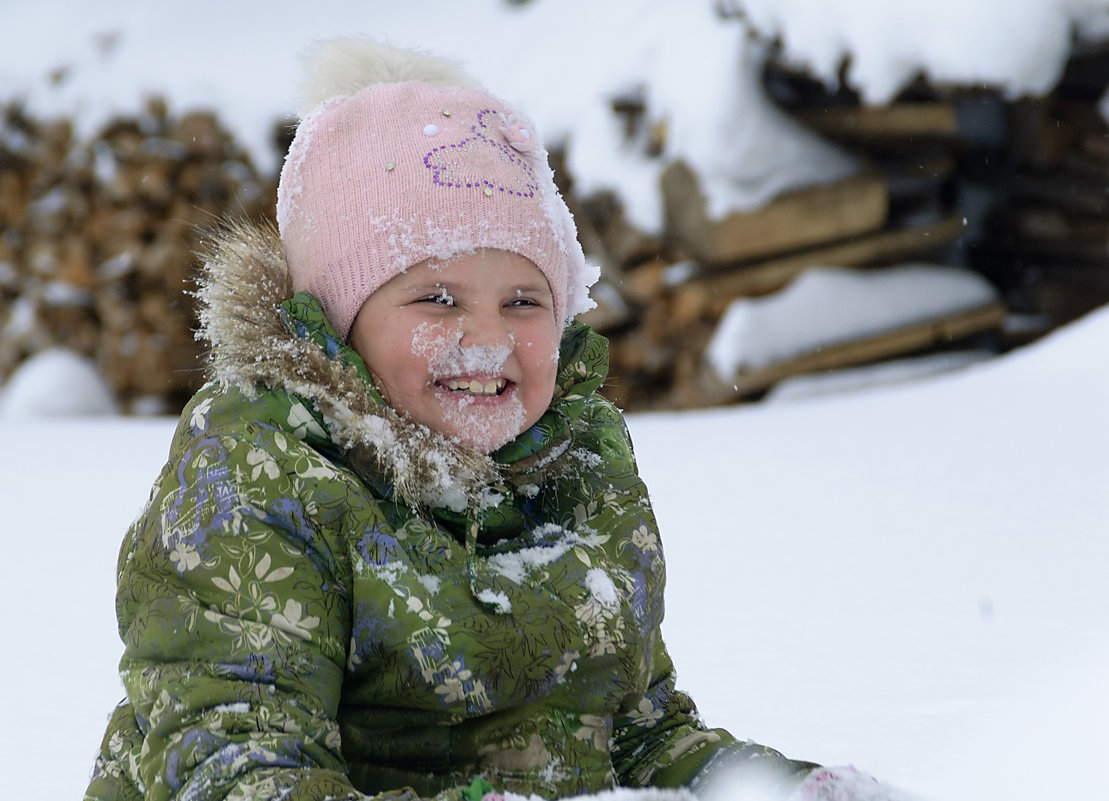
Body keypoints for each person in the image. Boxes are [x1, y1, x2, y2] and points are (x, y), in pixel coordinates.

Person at [85, 38, 914, 801]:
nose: (485, 340)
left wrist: (775, 789)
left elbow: (636, 732)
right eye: (435, 297)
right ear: (339, 322)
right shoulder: (263, 476)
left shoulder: (580, 471)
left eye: (523, 301)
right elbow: (235, 764)